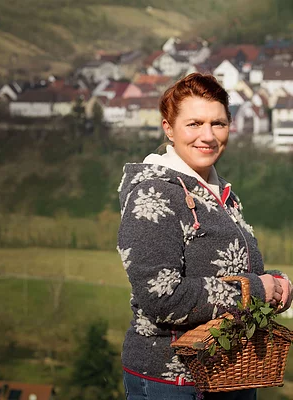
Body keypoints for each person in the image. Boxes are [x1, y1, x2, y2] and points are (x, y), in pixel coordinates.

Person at [116, 73, 292, 400]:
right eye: (194, 123)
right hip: (173, 382)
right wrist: (256, 290)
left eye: (218, 124)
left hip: (230, 374)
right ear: (168, 128)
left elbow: (230, 273)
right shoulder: (152, 195)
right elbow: (161, 297)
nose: (208, 136)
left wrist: (275, 284)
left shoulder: (221, 192)